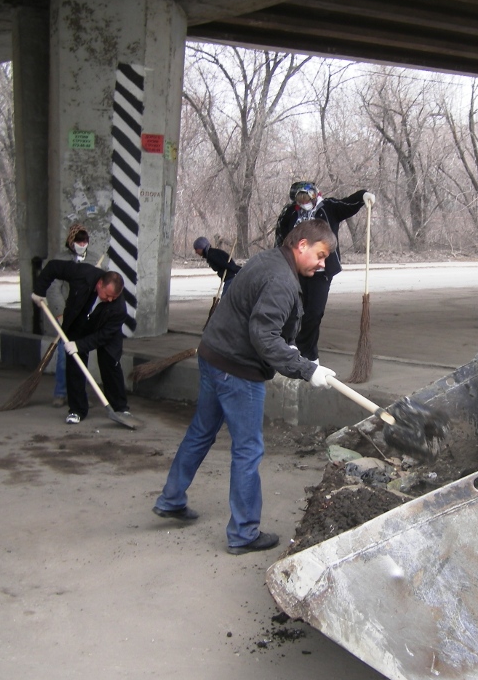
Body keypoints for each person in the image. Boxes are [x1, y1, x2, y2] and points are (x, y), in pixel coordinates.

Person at [153, 219, 339, 555]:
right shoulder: (282, 280)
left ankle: (171, 499)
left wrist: (288, 347)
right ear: (302, 246)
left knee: (201, 431)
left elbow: (260, 322)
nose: (323, 264)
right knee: (248, 450)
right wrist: (306, 368)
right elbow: (263, 335)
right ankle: (243, 533)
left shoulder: (267, 259)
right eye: (321, 255)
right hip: (238, 370)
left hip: (213, 354)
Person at [273, 181, 374, 362]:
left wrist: (362, 196)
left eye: (306, 199)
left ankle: (308, 355)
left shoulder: (328, 207)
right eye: (300, 200)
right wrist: (279, 262)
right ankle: (288, 347)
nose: (304, 203)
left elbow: (348, 204)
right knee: (292, 311)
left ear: (314, 195)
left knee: (314, 314)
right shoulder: (290, 213)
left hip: (321, 272)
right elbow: (281, 238)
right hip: (295, 270)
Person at [31, 265, 129, 424]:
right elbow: (53, 267)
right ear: (100, 284)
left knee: (111, 362)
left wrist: (80, 345)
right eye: (108, 295)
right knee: (75, 364)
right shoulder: (83, 274)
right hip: (79, 321)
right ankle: (77, 410)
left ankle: (120, 407)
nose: (111, 299)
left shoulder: (119, 308)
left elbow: (104, 336)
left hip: (104, 329)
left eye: (114, 297)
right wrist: (39, 291)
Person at [47, 223, 90, 408]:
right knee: (64, 355)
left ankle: (79, 395)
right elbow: (53, 288)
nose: (82, 244)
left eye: (85, 241)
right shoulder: (61, 261)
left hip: (85, 315)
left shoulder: (93, 259)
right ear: (71, 241)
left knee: (81, 356)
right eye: (79, 241)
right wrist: (60, 313)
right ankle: (61, 392)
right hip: (66, 315)